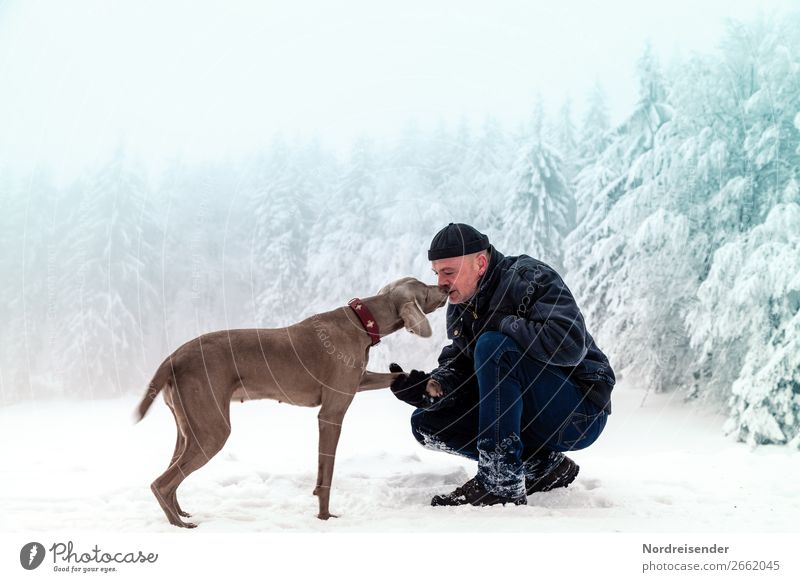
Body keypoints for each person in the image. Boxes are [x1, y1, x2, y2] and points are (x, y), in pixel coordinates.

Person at [389, 223, 615, 506]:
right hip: (531, 412)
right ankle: (543, 467)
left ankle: (499, 482)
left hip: (579, 411)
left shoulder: (529, 278)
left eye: (448, 272)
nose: (441, 283)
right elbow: (462, 363)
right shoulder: (461, 306)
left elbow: (569, 345)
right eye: (437, 274)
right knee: (427, 422)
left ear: (480, 263)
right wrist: (434, 387)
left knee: (493, 345)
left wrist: (503, 323)